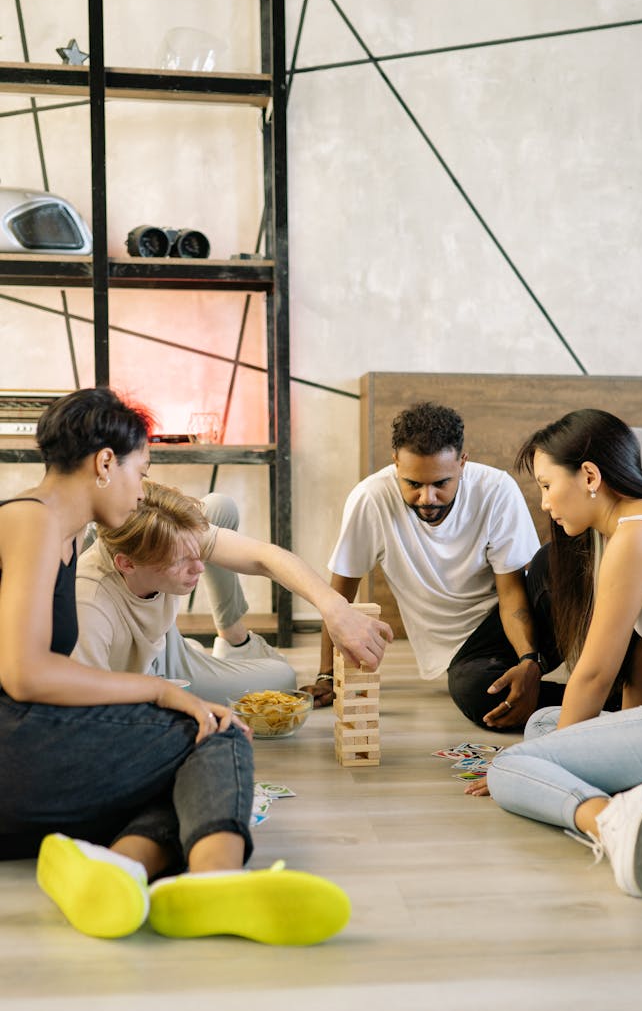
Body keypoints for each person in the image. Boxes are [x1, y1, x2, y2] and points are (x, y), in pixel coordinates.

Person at [0, 387, 389, 943]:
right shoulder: (33, 522)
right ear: (105, 463)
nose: (141, 492)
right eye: (143, 470)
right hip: (14, 747)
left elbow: (260, 555)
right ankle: (215, 880)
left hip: (21, 754)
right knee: (216, 732)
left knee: (182, 763)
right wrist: (161, 693)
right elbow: (24, 674)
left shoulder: (57, 532)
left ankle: (120, 868)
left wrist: (335, 610)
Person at [467, 408, 642, 897]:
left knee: (512, 765)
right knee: (540, 725)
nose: (544, 503)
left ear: (590, 476)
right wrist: (557, 746)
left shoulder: (636, 536)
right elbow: (634, 682)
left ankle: (612, 823)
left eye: (547, 485)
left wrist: (544, 764)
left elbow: (595, 675)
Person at [303, 401, 566, 730]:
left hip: (521, 625)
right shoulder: (370, 500)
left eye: (441, 483)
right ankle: (601, 702)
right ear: (396, 463)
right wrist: (327, 675)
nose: (427, 498)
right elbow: (337, 599)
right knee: (473, 693)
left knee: (554, 562)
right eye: (413, 484)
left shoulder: (496, 489)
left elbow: (512, 593)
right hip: (468, 653)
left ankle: (606, 680)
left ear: (462, 463)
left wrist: (529, 659)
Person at [74, 480, 339, 703]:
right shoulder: (90, 602)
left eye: (198, 553)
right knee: (283, 678)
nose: (199, 567)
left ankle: (231, 643)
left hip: (164, 643)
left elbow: (263, 557)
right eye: (180, 561)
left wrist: (333, 608)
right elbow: (90, 708)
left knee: (218, 506)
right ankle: (193, 656)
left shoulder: (166, 534)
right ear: (127, 564)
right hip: (142, 679)